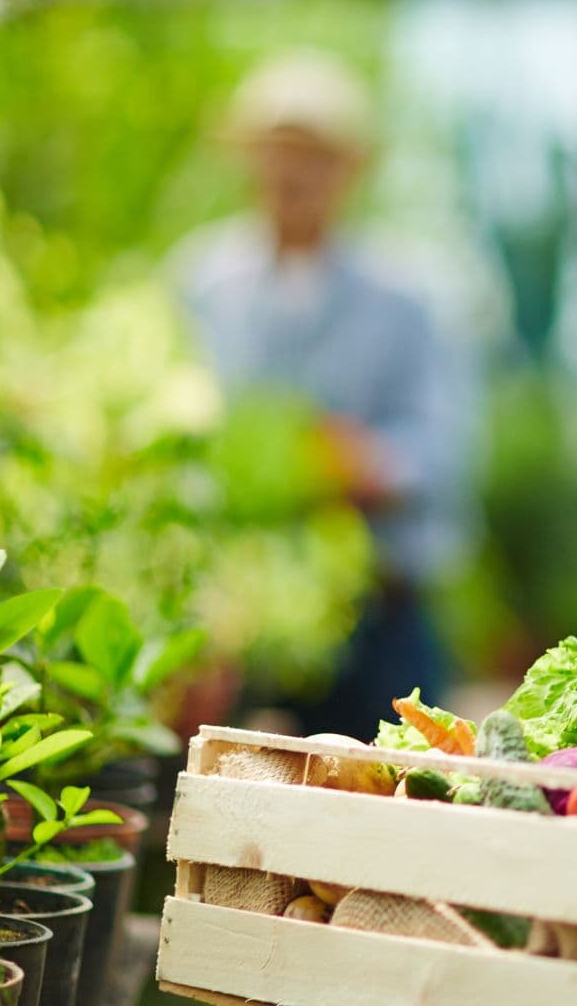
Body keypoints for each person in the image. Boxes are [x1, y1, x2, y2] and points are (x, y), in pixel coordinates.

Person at [173, 52, 475, 737]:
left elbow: (445, 449)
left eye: (313, 156)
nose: (291, 174)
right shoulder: (203, 282)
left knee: (379, 798)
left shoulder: (407, 296)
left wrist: (360, 463)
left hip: (379, 615)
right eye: (275, 154)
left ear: (351, 170)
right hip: (233, 616)